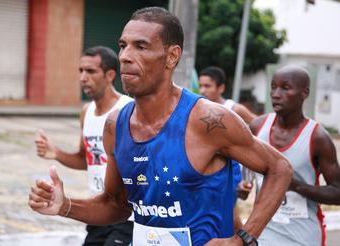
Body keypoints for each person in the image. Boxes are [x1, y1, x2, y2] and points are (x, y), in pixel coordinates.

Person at [29, 7, 293, 246]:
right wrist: (65, 205)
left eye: (141, 47)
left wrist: (244, 239)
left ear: (171, 56)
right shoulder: (115, 125)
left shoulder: (208, 120)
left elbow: (279, 168)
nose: (125, 57)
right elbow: (116, 205)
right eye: (123, 46)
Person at [34, 46, 133, 246]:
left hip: (127, 216)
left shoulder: (128, 110)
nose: (83, 77)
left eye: (90, 71)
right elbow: (85, 159)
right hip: (98, 210)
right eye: (81, 71)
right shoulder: (86, 112)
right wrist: (56, 153)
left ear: (110, 75)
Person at [247, 65, 340, 246]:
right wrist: (244, 184)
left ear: (304, 93)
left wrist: (295, 186)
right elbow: (244, 168)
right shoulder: (258, 127)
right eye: (273, 87)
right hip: (263, 231)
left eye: (285, 88)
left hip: (302, 236)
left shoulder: (317, 137)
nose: (276, 93)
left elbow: (338, 192)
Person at [198, 66, 257, 230]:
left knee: (225, 214)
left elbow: (261, 126)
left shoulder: (234, 109)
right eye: (200, 85)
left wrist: (248, 174)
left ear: (221, 88)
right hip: (205, 172)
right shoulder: (198, 108)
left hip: (230, 172)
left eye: (207, 86)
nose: (202, 90)